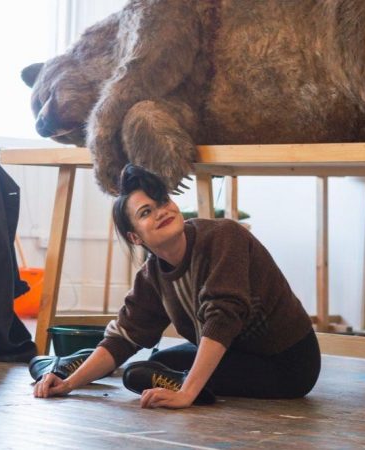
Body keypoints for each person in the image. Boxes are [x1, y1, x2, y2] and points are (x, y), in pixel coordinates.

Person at [33, 164, 321, 408]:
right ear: (135, 237)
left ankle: (193, 385)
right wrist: (69, 384)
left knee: (140, 374)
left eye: (163, 201)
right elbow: (125, 336)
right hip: (233, 354)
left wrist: (186, 393)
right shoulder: (152, 275)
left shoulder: (224, 237)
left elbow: (222, 318)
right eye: (146, 212)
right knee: (155, 363)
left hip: (286, 363)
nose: (161, 212)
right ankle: (70, 366)